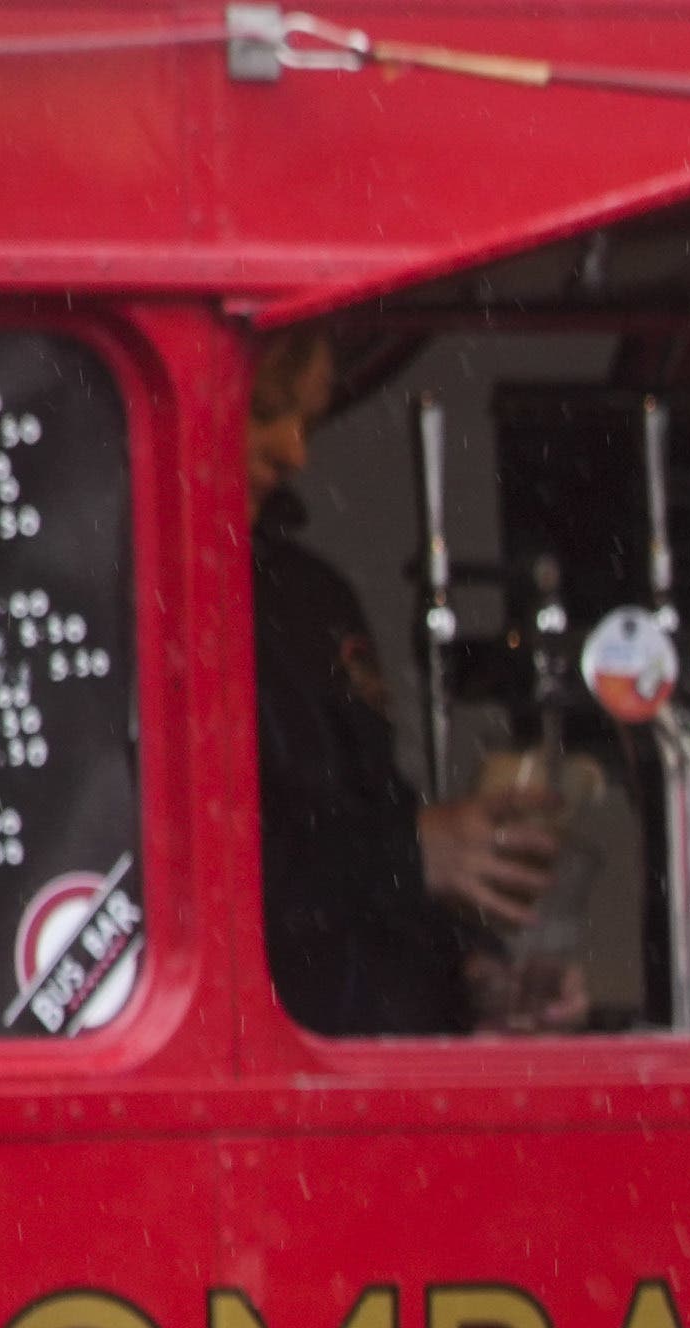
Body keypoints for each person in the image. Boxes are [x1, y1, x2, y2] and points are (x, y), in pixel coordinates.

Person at [244, 328, 555, 1039]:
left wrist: (474, 970)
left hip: (368, 1048)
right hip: (266, 1058)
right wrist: (409, 853)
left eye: (310, 422)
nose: (295, 452)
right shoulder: (115, 596)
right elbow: (191, 876)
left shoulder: (311, 594)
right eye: (264, 413)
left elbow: (375, 804)